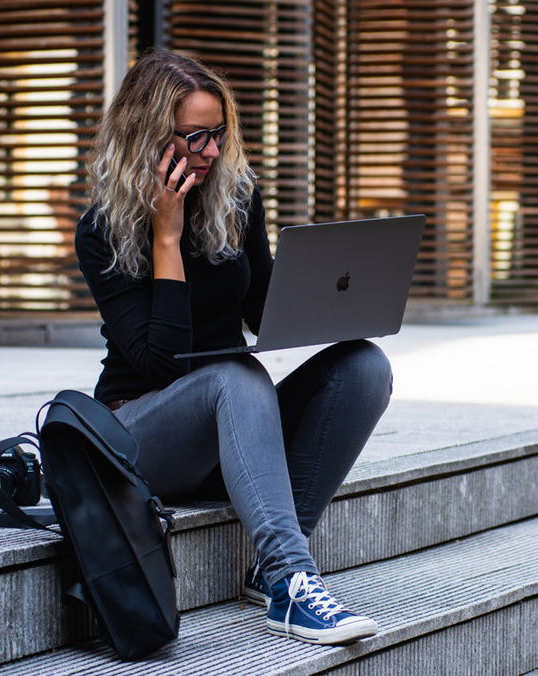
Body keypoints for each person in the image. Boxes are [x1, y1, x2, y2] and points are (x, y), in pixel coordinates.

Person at [74, 48, 393, 646]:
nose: (214, 152)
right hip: (141, 438)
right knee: (237, 376)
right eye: (196, 138)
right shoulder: (102, 231)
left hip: (229, 432)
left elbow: (260, 312)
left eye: (219, 134)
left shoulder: (236, 199)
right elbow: (159, 363)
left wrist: (336, 297)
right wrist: (166, 237)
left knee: (363, 368)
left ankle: (268, 567)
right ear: (148, 137)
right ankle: (290, 582)